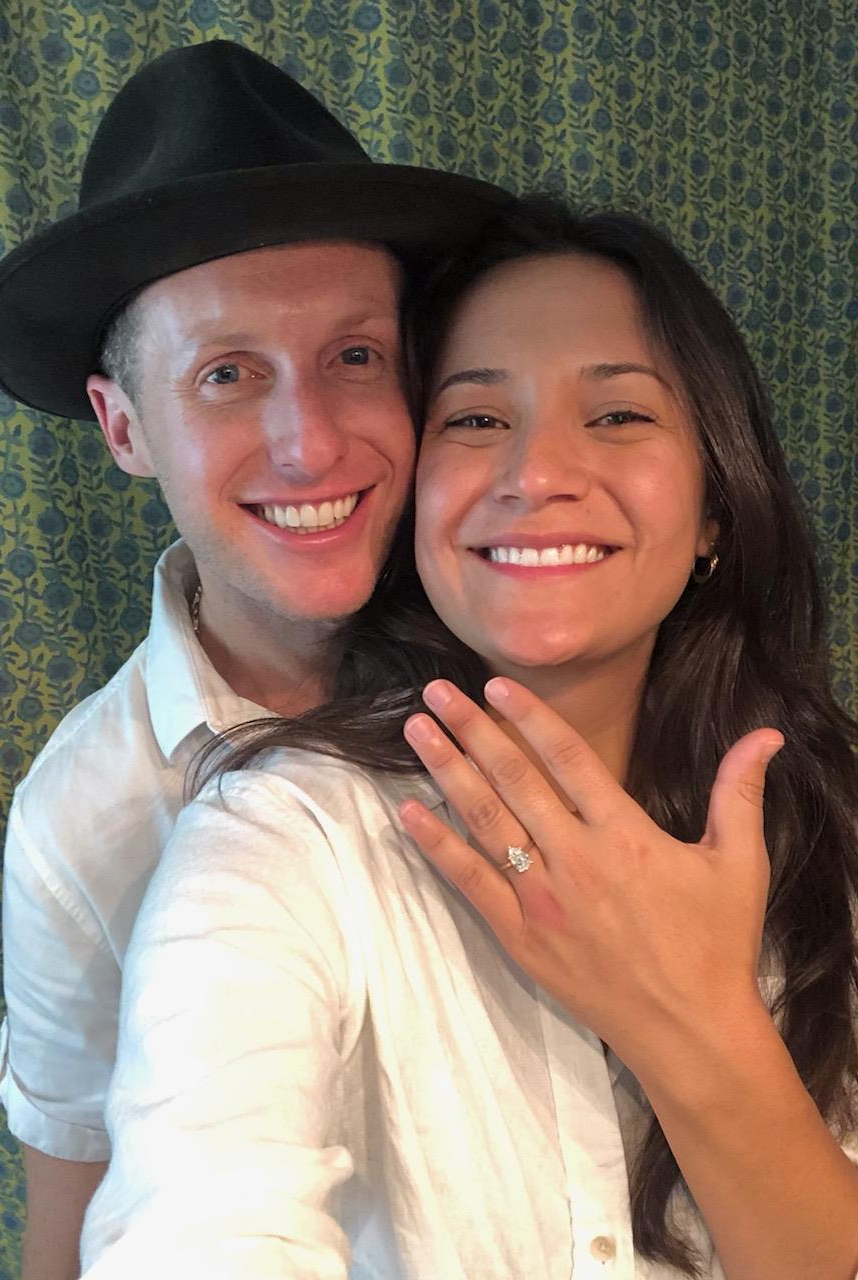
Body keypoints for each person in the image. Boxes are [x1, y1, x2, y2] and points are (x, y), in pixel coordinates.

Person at [78, 194, 858, 1279]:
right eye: (478, 421)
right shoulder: (279, 841)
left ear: (715, 506)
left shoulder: (828, 820)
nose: (535, 474)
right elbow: (200, 1213)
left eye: (617, 415)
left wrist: (698, 1026)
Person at [0, 38, 511, 1279]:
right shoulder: (81, 820)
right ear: (124, 426)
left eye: (354, 357)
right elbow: (75, 1217)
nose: (309, 442)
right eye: (226, 374)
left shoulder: (545, 649)